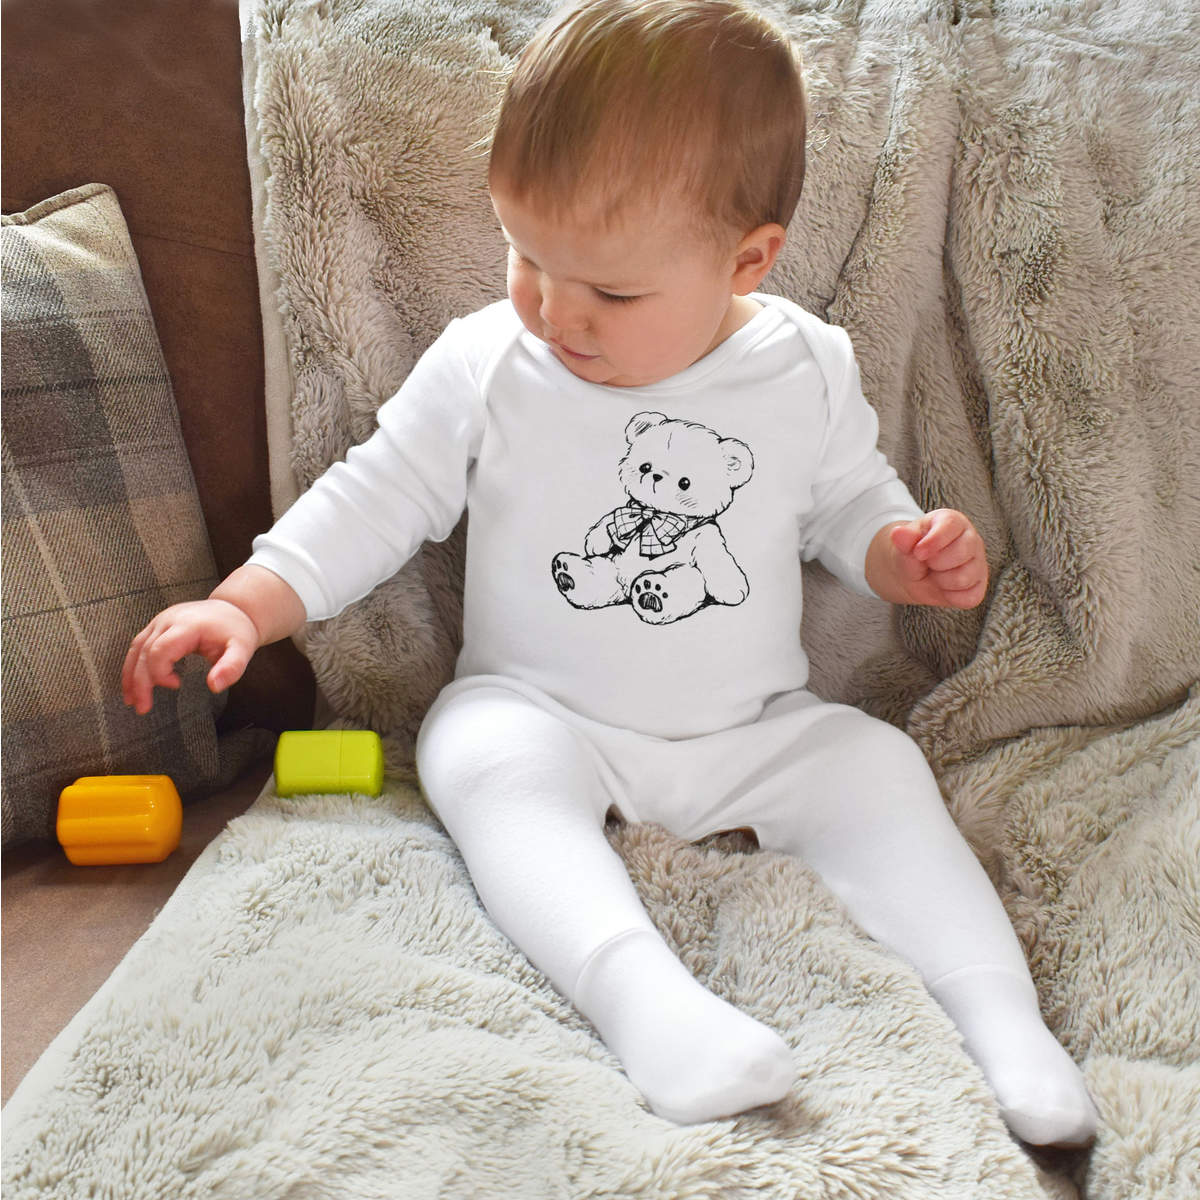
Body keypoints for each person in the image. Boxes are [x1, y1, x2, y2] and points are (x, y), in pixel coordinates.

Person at [123, 0, 1098, 1142]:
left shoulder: (802, 365)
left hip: (754, 729)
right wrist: (244, 604)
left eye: (612, 293)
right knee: (472, 750)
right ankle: (650, 1010)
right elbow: (375, 495)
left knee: (877, 767)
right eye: (526, 256)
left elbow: (844, 499)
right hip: (548, 714)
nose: (554, 311)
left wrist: (900, 554)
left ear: (747, 260)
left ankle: (1003, 1025)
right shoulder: (491, 362)